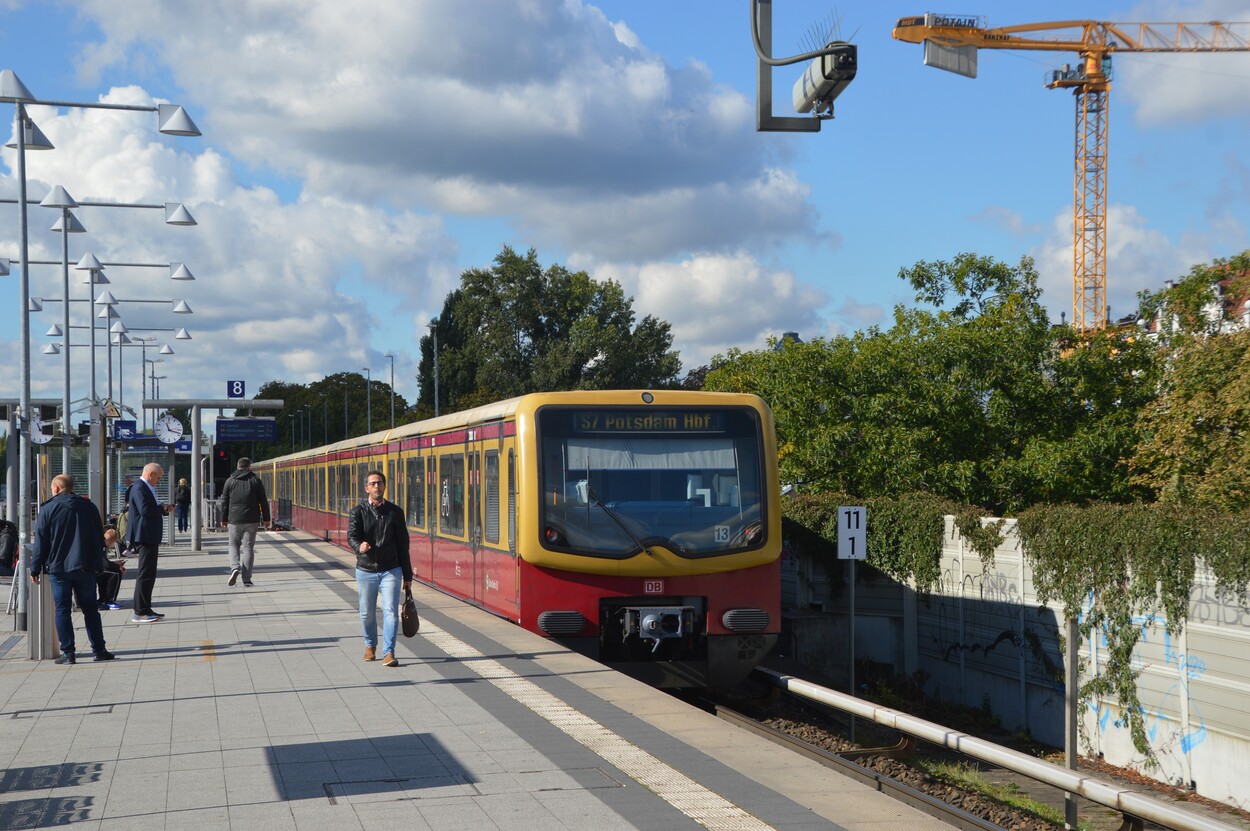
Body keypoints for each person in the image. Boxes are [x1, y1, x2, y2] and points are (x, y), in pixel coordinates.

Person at [30, 474, 115, 664]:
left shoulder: (48, 509)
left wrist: (35, 568)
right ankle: (99, 650)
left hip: (59, 569)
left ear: (57, 488)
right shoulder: (89, 507)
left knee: (62, 610)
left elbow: (41, 542)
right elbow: (99, 538)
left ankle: (68, 653)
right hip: (85, 567)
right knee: (91, 609)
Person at [348, 470, 412, 667]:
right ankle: (370, 645)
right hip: (366, 569)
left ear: (385, 486)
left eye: (380, 483)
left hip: (391, 569)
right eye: (373, 483)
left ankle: (389, 652)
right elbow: (351, 536)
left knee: (390, 611)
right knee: (367, 612)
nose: (377, 486)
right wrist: (359, 546)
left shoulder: (395, 512)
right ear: (366, 488)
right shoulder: (357, 512)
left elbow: (403, 545)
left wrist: (407, 575)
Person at [219, 457, 271, 587]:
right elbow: (263, 501)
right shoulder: (255, 481)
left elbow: (224, 501)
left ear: (237, 466)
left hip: (234, 520)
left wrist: (223, 518)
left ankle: (235, 568)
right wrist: (266, 518)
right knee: (248, 548)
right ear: (249, 467)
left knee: (233, 545)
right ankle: (247, 579)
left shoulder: (230, 481)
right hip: (251, 520)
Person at [127, 462, 168, 623]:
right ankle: (139, 611)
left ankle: (146, 607)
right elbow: (144, 510)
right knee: (145, 574)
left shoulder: (144, 487)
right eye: (158, 477)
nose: (158, 480)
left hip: (149, 535)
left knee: (149, 574)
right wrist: (161, 509)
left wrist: (162, 509)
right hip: (144, 536)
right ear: (150, 474)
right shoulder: (139, 487)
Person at [97, 527, 127, 610]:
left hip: (95, 569)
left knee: (110, 573)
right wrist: (118, 566)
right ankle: (109, 600)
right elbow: (106, 564)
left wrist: (115, 564)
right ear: (110, 541)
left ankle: (103, 599)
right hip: (95, 570)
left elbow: (104, 563)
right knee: (116, 573)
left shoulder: (99, 543)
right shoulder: (101, 545)